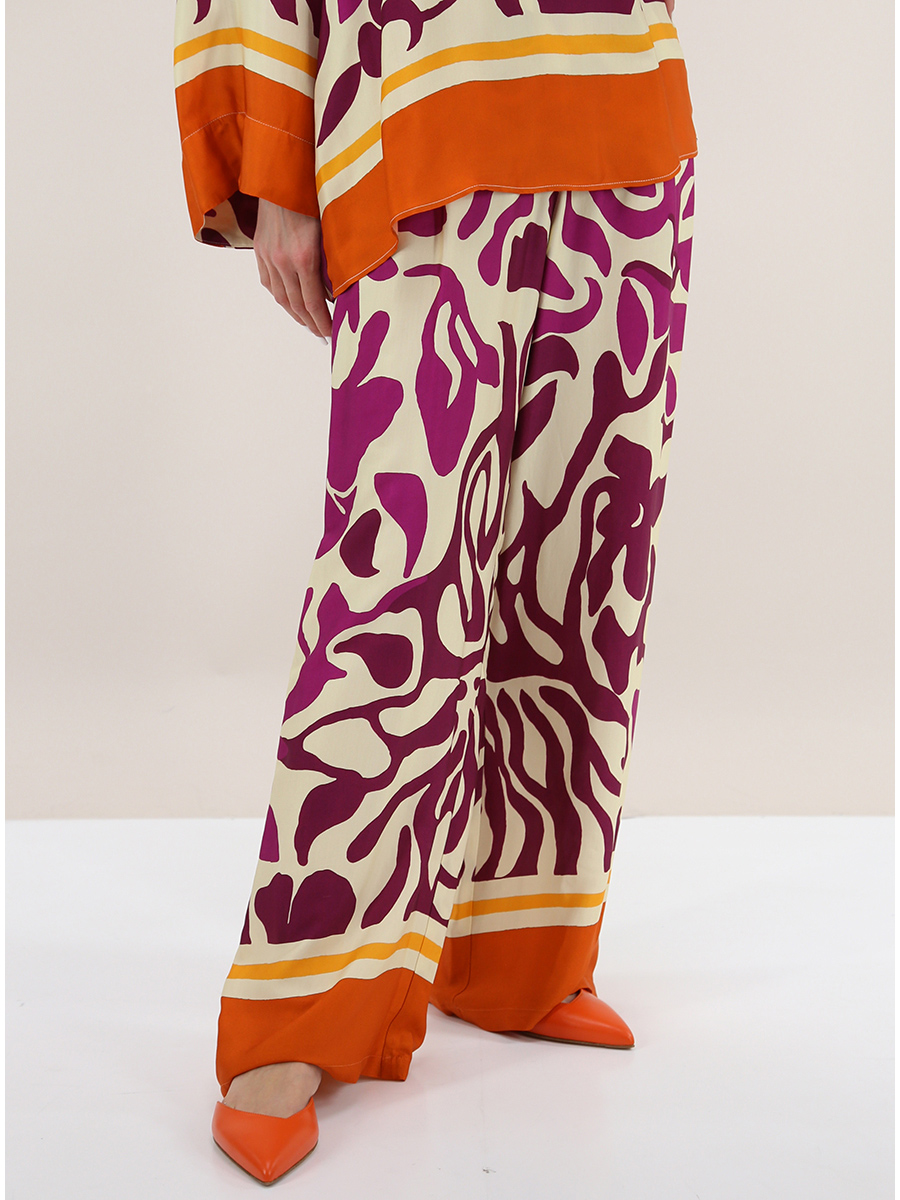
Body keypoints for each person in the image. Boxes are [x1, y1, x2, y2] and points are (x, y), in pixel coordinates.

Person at [174, 0, 696, 1183]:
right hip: (415, 110)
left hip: (624, 111)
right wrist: (280, 175)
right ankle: (297, 1014)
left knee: (584, 558)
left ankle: (519, 952)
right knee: (393, 581)